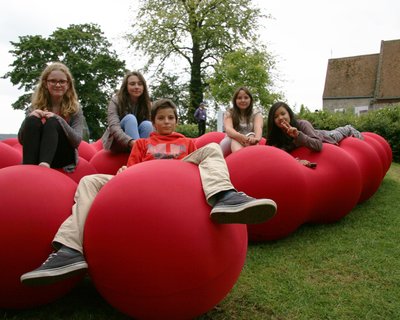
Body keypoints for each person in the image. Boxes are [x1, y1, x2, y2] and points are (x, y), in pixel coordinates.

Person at [20, 98, 277, 286]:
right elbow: (133, 170)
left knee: (210, 149)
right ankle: (69, 250)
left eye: (171, 118)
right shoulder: (143, 143)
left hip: (176, 183)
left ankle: (225, 197)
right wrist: (123, 175)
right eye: (161, 118)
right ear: (153, 122)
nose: (166, 122)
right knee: (89, 182)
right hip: (140, 186)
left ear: (176, 121)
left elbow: (193, 170)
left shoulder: (188, 143)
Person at [18, 62, 84, 172]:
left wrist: (58, 119)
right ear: (45, 83)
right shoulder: (34, 106)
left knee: (53, 122)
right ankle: (28, 167)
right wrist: (28, 118)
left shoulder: (75, 109)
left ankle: (45, 165)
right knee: (32, 120)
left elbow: (77, 141)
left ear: (68, 85)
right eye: (53, 81)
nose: (57, 85)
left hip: (62, 156)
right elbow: (21, 139)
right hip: (36, 156)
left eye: (62, 81)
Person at [266, 101, 364, 167]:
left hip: (325, 137)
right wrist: (296, 161)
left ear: (289, 114)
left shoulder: (302, 124)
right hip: (309, 147)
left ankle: (348, 128)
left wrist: (297, 135)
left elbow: (318, 145)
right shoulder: (276, 137)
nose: (280, 118)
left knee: (340, 132)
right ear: (272, 121)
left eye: (283, 114)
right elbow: (279, 156)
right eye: (276, 117)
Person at [102, 71, 153, 153]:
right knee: (130, 118)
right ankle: (139, 153)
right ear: (126, 86)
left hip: (139, 141)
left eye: (140, 84)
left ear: (144, 87)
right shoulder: (115, 101)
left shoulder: (147, 104)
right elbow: (114, 126)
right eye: (132, 84)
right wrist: (130, 141)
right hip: (118, 142)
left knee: (147, 124)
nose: (136, 87)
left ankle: (141, 153)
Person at [219, 87, 263, 157]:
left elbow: (258, 127)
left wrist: (256, 138)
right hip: (231, 140)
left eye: (246, 98)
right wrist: (239, 136)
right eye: (239, 98)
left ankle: (252, 160)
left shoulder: (256, 113)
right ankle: (240, 158)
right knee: (235, 140)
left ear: (250, 100)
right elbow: (228, 128)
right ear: (235, 100)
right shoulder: (230, 113)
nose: (243, 100)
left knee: (252, 135)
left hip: (249, 140)